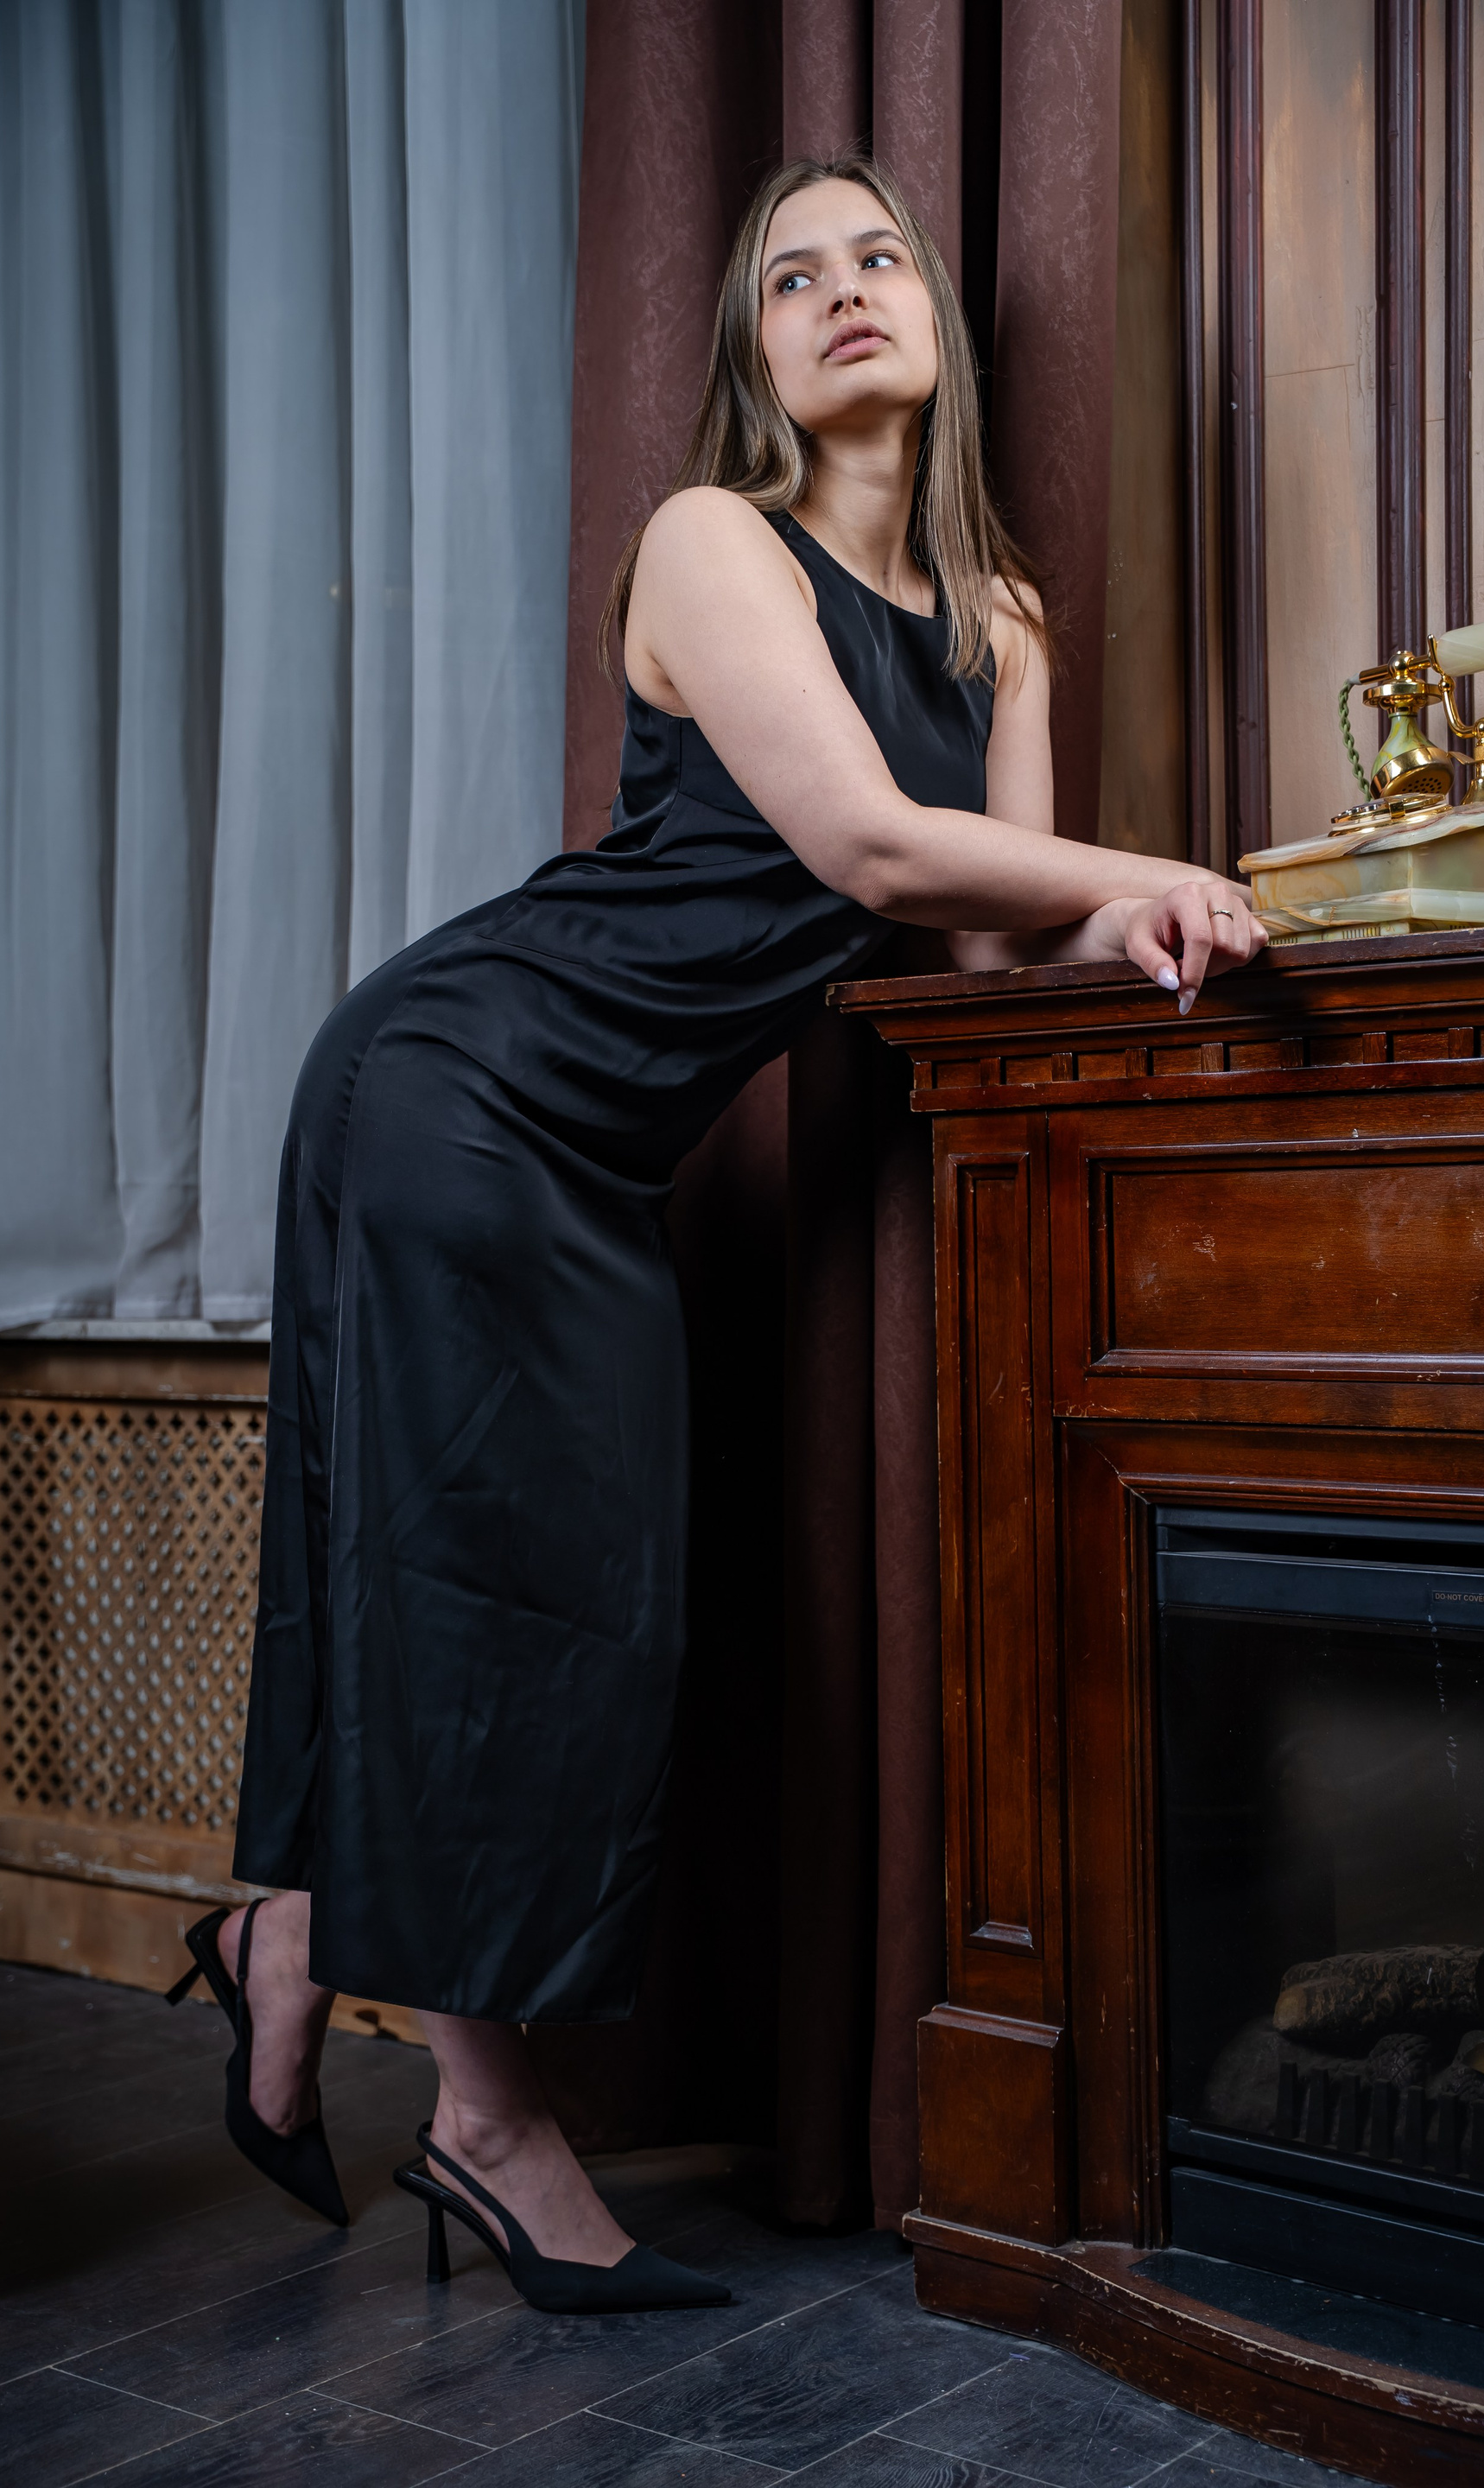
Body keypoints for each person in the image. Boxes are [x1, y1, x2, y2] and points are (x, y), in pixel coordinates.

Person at [168, 150, 1265, 2314]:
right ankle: (485, 2127)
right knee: (505, 1589)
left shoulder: (1000, 621)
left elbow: (982, 937)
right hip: (464, 1084)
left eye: (879, 258)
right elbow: (873, 847)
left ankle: (282, 1934)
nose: (843, 291)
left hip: (594, 1151)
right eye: (789, 278)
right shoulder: (708, 539)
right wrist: (1163, 865)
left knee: (577, 1599)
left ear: (933, 317)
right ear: (757, 356)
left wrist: (1153, 939)